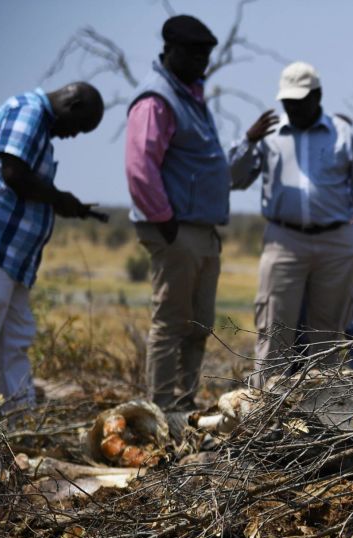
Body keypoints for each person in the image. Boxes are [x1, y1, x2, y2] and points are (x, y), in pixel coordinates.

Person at [230, 62, 353, 386]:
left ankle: (320, 419)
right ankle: (264, 415)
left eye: (300, 100)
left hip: (336, 241)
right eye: (287, 101)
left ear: (318, 96)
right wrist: (248, 141)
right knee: (275, 329)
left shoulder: (343, 133)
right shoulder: (269, 134)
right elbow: (234, 178)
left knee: (327, 334)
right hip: (284, 240)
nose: (293, 107)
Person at [125, 14, 230, 411]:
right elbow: (140, 165)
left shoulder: (191, 95)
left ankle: (185, 405)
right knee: (171, 322)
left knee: (199, 323)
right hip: (176, 228)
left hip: (201, 229)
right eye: (195, 54)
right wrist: (165, 220)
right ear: (171, 51)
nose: (202, 62)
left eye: (206, 55)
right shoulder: (157, 99)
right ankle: (161, 409)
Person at [0, 82, 104, 411]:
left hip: (14, 261)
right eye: (79, 127)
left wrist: (67, 205)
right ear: (71, 104)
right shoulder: (29, 112)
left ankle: (21, 422)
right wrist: (58, 198)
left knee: (15, 341)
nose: (74, 135)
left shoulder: (39, 126)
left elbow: (27, 183)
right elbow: (13, 173)